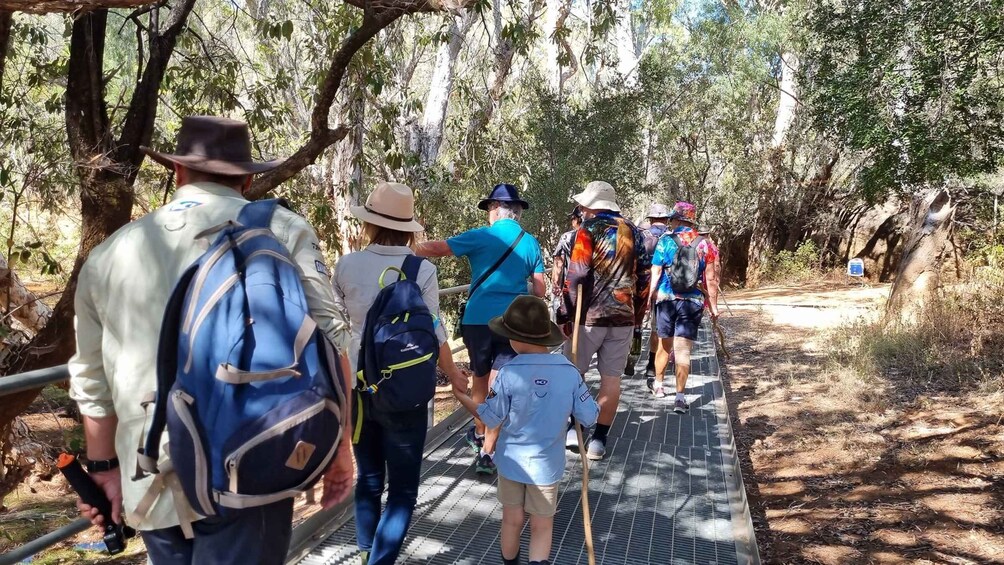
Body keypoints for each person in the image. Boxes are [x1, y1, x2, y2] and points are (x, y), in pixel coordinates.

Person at [67, 116, 355, 565]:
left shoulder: (107, 255)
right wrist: (340, 447)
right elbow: (334, 342)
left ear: (177, 172)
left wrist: (104, 469)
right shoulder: (280, 229)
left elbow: (91, 380)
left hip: (150, 472)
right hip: (247, 462)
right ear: (249, 177)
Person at [332, 182, 467, 565]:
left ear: (370, 224)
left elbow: (334, 325)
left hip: (360, 387)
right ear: (409, 227)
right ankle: (381, 560)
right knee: (403, 491)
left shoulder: (347, 265)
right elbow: (435, 328)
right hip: (405, 389)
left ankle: (364, 553)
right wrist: (453, 374)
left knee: (370, 479)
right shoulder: (421, 269)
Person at [452, 296, 599, 565]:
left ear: (515, 339)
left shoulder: (507, 373)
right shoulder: (570, 372)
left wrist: (462, 396)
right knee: (542, 525)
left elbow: (491, 417)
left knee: (512, 520)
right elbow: (589, 417)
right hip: (547, 466)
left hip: (510, 463)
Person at [418, 183, 546, 475]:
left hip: (478, 320)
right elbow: (539, 289)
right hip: (512, 323)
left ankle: (478, 433)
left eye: (489, 208)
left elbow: (439, 249)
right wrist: (517, 286)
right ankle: (488, 452)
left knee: (480, 382)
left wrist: (404, 248)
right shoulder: (530, 242)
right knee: (500, 387)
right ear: (517, 213)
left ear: (494, 210)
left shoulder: (482, 235)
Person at [558, 180, 649, 461]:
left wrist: (565, 313)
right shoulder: (635, 231)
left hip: (590, 317)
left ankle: (574, 429)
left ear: (590, 206)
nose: (582, 209)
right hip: (622, 317)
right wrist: (638, 317)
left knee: (574, 374)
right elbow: (644, 279)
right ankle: (599, 440)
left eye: (584, 204)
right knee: (612, 379)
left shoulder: (587, 230)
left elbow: (577, 275)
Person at [648, 201, 721, 410]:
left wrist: (650, 296)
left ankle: (659, 385)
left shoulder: (666, 240)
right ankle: (680, 397)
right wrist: (713, 307)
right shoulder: (704, 244)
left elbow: (657, 271)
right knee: (683, 350)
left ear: (676, 219)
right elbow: (711, 279)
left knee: (664, 345)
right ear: (691, 219)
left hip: (666, 299)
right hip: (692, 301)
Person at [638, 203, 672, 382]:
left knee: (634, 324)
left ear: (650, 219)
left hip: (639, 285)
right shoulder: (670, 238)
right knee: (656, 328)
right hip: (661, 289)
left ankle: (632, 353)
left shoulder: (640, 235)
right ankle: (651, 365)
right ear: (666, 219)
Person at [550, 206, 582, 300]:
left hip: (571, 287)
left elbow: (558, 263)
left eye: (572, 218)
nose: (572, 222)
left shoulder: (566, 237)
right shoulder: (597, 236)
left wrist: (555, 283)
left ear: (577, 220)